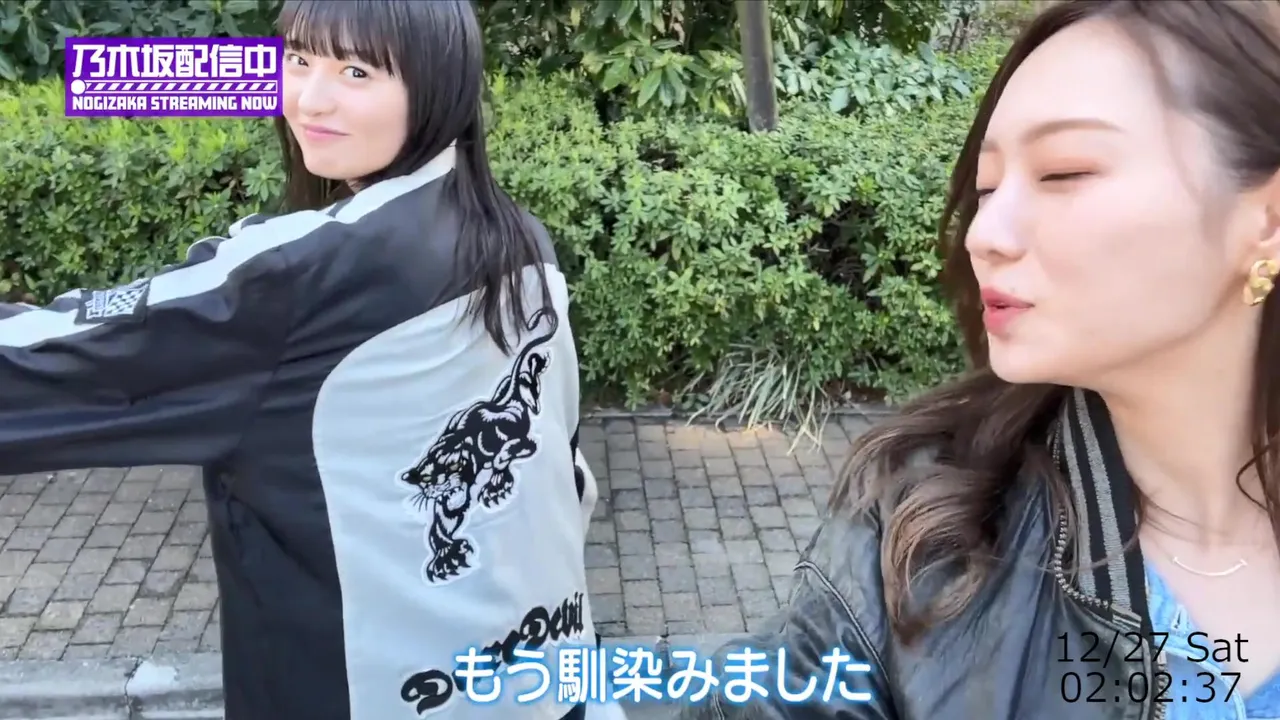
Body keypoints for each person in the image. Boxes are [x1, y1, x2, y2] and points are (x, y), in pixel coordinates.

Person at [0, 2, 619, 719]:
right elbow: (566, 476)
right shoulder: (521, 239)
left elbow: (38, 364)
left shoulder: (299, 281)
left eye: (356, 72)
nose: (309, 100)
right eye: (297, 60)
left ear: (440, 85)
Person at [677, 1, 1280, 719]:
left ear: (1268, 220)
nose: (984, 233)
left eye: (1063, 172)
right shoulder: (923, 541)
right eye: (987, 187)